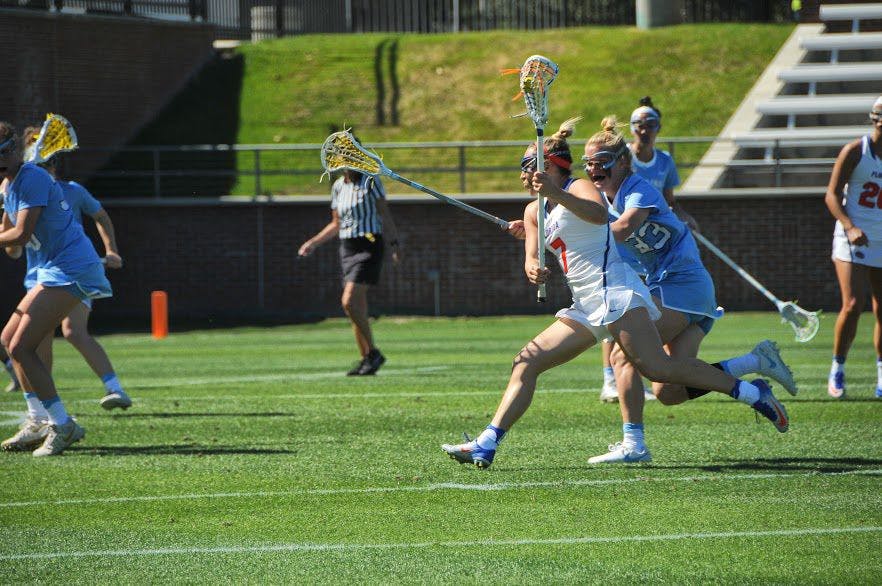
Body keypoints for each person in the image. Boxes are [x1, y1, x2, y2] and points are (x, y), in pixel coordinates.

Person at [441, 118, 790, 470]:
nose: (521, 176)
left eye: (526, 167)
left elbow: (597, 216)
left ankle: (751, 393)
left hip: (615, 291)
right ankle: (486, 443)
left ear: (548, 168)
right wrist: (533, 266)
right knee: (526, 362)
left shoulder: (578, 189)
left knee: (658, 369)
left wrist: (557, 193)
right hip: (584, 304)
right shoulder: (533, 211)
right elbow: (532, 255)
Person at [585, 115, 797, 463]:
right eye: (589, 164)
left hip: (681, 283)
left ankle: (634, 444)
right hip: (682, 291)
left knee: (623, 353)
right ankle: (755, 363)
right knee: (668, 391)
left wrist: (584, 236)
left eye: (602, 163)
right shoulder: (602, 201)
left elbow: (623, 229)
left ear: (623, 162)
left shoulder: (638, 189)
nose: (594, 170)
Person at [0, 121, 112, 456]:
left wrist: (11, 238)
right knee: (8, 341)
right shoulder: (8, 185)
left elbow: (20, 234)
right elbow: (13, 244)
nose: (2, 159)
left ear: (19, 150)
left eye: (6, 151)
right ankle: (37, 420)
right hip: (52, 270)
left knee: (21, 347)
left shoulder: (32, 177)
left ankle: (64, 425)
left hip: (73, 267)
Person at [9, 127, 131, 411]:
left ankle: (113, 388)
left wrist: (111, 250)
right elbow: (15, 249)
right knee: (33, 342)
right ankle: (44, 407)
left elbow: (100, 214)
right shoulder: (18, 194)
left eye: (50, 161)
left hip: (69, 272)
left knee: (73, 330)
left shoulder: (72, 191)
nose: (47, 167)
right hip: (38, 276)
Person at [598, 96, 696, 403]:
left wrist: (684, 220)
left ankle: (628, 375)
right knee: (617, 309)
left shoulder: (664, 161)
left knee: (636, 316)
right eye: (639, 124)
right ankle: (610, 378)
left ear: (658, 127)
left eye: (650, 124)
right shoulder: (621, 159)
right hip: (623, 245)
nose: (644, 130)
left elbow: (669, 201)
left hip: (649, 248)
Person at [298, 164, 400, 376]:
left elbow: (384, 214)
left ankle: (373, 353)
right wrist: (313, 243)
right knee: (356, 308)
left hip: (369, 245)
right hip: (348, 248)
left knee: (349, 302)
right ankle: (367, 359)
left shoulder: (370, 182)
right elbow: (336, 223)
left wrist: (394, 243)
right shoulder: (338, 186)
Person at [825, 95, 882, 400]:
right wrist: (850, 225)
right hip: (853, 235)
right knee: (853, 303)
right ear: (876, 119)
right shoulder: (856, 151)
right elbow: (832, 195)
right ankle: (838, 366)